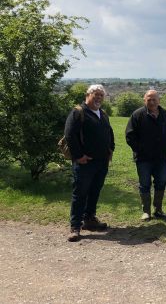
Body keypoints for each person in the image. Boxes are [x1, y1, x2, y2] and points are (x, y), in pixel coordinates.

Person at [64, 84, 115, 242]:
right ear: (88, 95)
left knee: (94, 192)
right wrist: (79, 156)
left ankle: (90, 219)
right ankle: (75, 227)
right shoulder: (78, 112)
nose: (99, 97)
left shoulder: (102, 113)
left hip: (101, 162)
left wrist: (110, 149)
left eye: (101, 95)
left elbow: (109, 132)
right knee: (80, 193)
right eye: (96, 94)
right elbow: (70, 135)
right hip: (85, 163)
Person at [125, 90, 166, 221]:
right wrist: (139, 149)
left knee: (161, 183)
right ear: (145, 100)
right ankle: (146, 212)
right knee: (144, 184)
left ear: (159, 100)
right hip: (143, 159)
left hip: (161, 158)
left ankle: (158, 210)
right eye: (149, 99)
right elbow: (129, 136)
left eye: (154, 99)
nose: (152, 102)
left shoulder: (164, 114)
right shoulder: (137, 115)